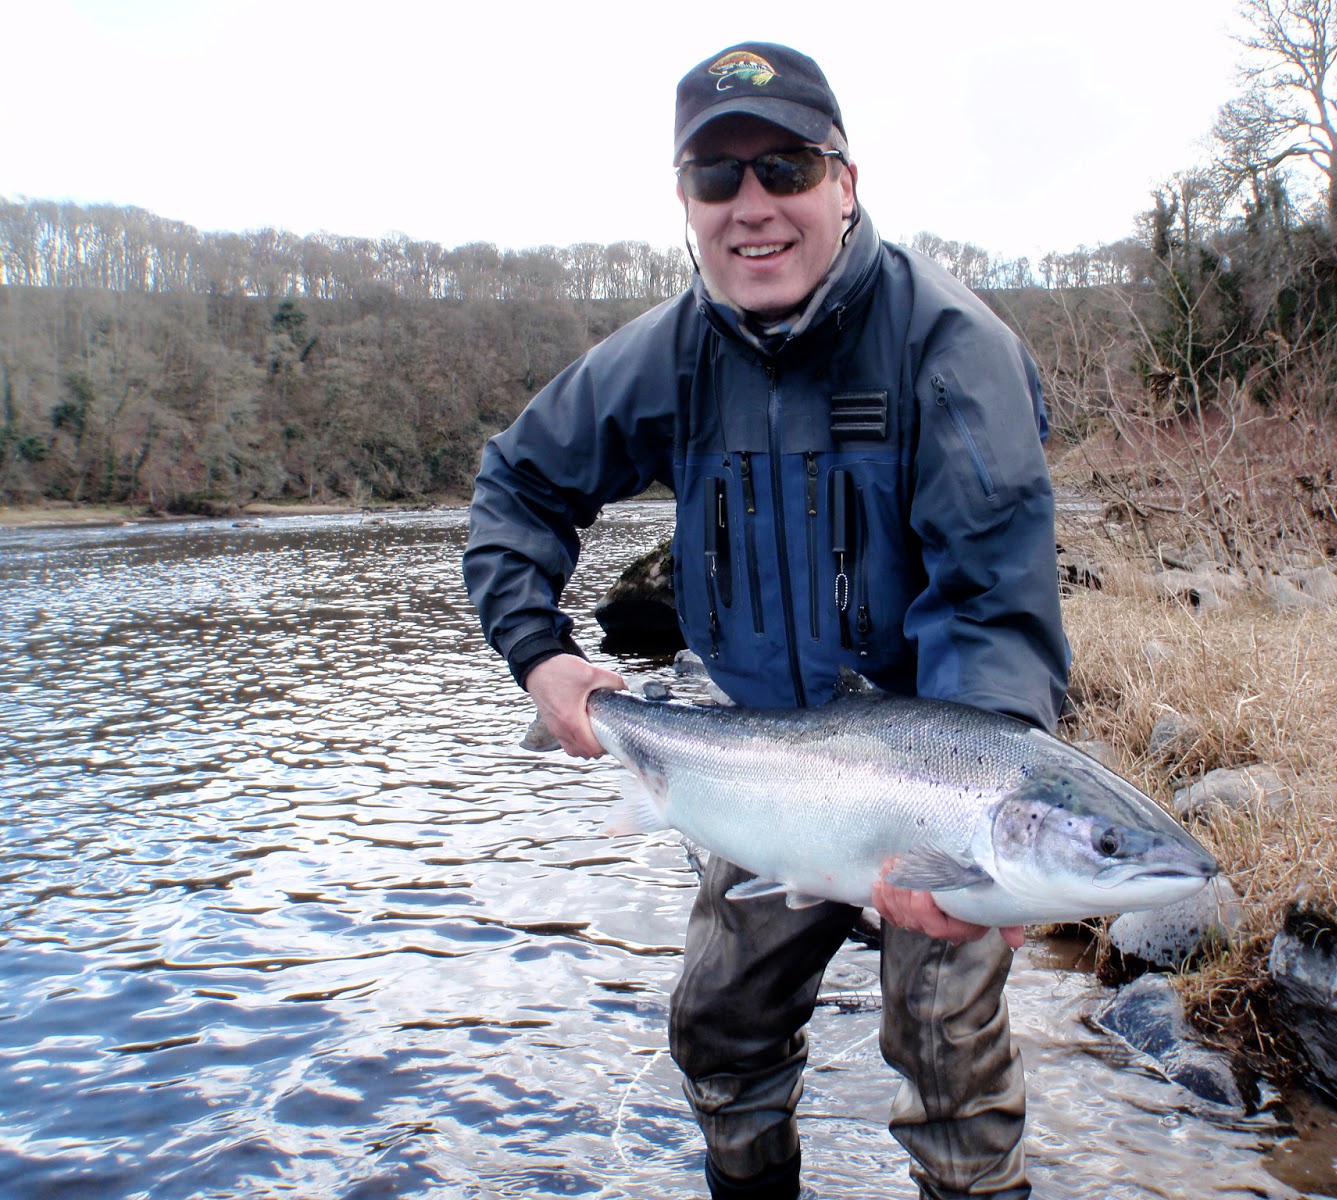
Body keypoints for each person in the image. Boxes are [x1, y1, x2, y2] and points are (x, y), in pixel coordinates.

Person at [464, 41, 1070, 1200]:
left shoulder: (952, 351)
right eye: (716, 178)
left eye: (785, 168)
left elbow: (994, 608)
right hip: (757, 769)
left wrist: (963, 823)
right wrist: (541, 658)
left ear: (845, 183)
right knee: (719, 1034)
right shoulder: (663, 358)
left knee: (948, 1063)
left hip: (928, 762)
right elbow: (516, 489)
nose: (753, 207)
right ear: (684, 204)